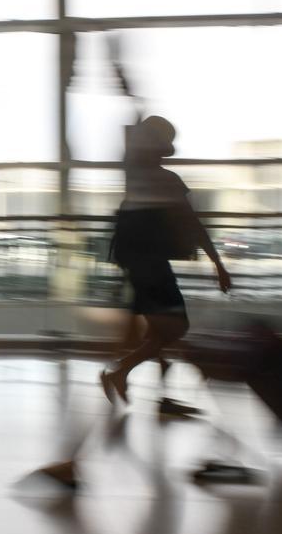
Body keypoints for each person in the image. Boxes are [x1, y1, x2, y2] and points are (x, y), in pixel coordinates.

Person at [98, 115, 232, 415]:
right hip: (151, 265)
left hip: (138, 263)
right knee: (174, 327)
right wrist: (218, 264)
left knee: (158, 332)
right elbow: (194, 224)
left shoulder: (135, 177)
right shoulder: (166, 181)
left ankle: (159, 394)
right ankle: (120, 373)